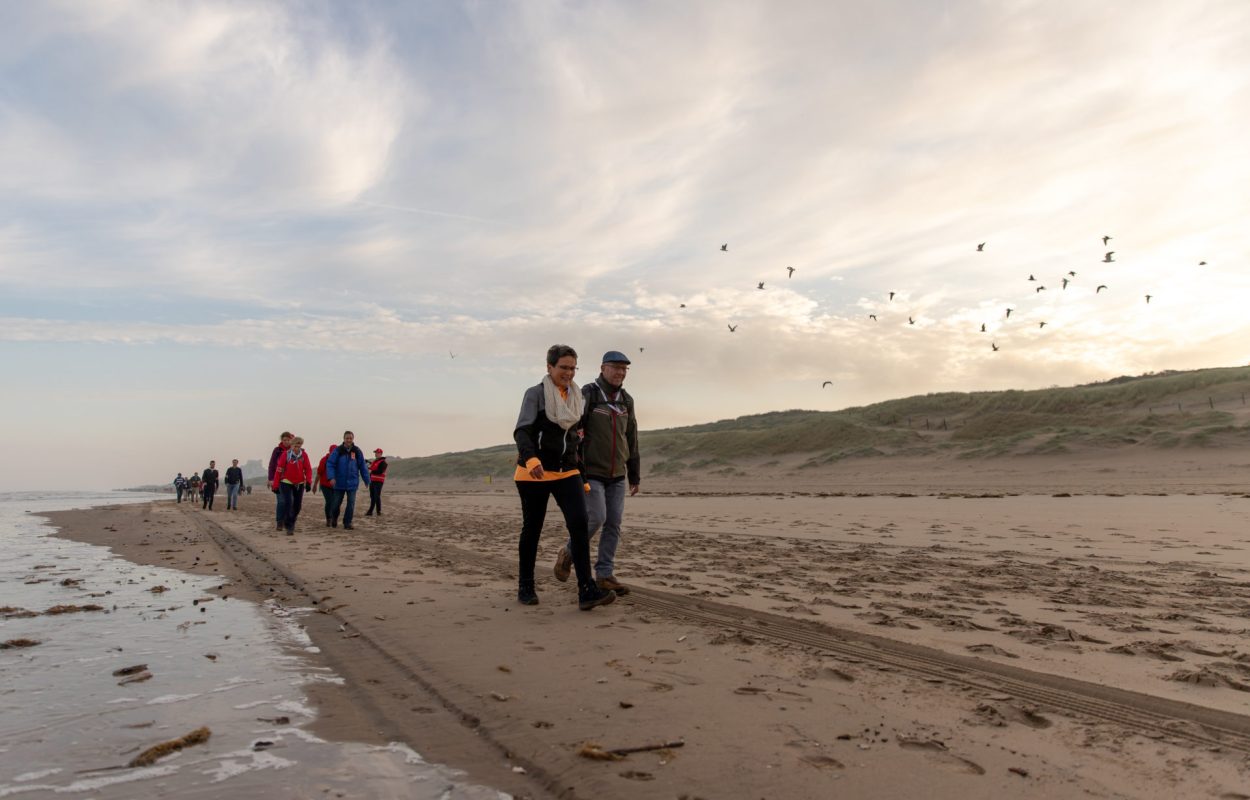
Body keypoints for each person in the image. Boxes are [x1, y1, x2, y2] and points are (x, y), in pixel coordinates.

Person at [512, 344, 616, 611]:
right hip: (533, 472)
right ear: (549, 367)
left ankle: (586, 590)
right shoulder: (536, 394)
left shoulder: (576, 398)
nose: (568, 373)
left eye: (572, 368)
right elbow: (522, 431)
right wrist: (531, 458)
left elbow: (575, 440)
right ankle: (526, 585)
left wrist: (579, 472)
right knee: (532, 528)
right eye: (563, 367)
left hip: (566, 471)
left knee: (580, 525)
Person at [555, 350, 641, 596]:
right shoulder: (589, 394)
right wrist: (573, 465)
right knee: (597, 518)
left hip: (617, 474)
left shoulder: (626, 400)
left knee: (614, 523)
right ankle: (568, 553)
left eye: (624, 369)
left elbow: (632, 437)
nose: (620, 372)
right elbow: (573, 431)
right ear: (603, 368)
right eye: (615, 367)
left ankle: (604, 575)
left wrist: (634, 475)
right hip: (590, 472)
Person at [326, 431, 370, 530]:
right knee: (336, 503)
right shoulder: (338, 450)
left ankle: (347, 522)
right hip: (339, 482)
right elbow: (330, 464)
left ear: (353, 439)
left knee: (351, 503)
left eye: (350, 438)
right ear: (344, 439)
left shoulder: (357, 451)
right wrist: (331, 477)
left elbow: (362, 466)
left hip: (352, 482)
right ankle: (334, 518)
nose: (349, 440)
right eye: (347, 438)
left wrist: (366, 479)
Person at [271, 436, 312, 535]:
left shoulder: (304, 455)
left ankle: (290, 520)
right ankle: (290, 526)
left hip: (300, 483)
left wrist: (309, 482)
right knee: (288, 503)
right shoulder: (286, 454)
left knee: (297, 506)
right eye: (295, 446)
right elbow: (279, 470)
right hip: (286, 482)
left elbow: (308, 469)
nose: (297, 448)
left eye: (299, 446)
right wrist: (275, 485)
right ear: (291, 445)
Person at [268, 432, 293, 532]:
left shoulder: (294, 450)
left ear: (291, 440)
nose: (286, 442)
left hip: (292, 481)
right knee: (281, 501)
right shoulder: (277, 450)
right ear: (282, 440)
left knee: (290, 501)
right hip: (279, 479)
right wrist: (271, 479)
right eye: (284, 440)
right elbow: (272, 464)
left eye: (288, 440)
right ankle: (279, 521)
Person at [315, 444, 337, 526]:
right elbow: (319, 473)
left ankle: (333, 518)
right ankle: (329, 519)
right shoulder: (324, 460)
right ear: (330, 451)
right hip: (325, 485)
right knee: (329, 501)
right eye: (333, 452)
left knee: (335, 502)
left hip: (336, 485)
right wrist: (315, 485)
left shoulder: (339, 460)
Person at [365, 448, 387, 516]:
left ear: (380, 453)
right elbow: (373, 469)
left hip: (379, 481)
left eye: (377, 453)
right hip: (372, 481)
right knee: (373, 496)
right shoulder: (375, 461)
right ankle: (376, 511)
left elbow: (380, 471)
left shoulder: (383, 462)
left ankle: (373, 511)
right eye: (375, 453)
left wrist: (370, 468)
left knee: (376, 496)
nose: (375, 454)